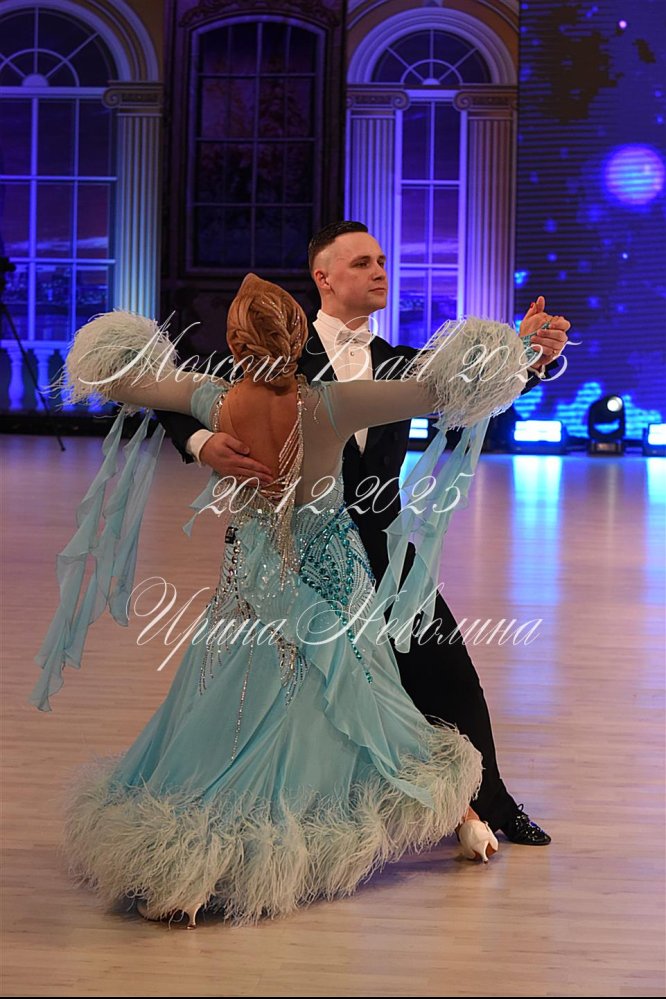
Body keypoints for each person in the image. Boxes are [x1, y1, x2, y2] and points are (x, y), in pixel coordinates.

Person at [32, 274, 549, 927]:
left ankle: (197, 856)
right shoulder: (332, 404)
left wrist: (138, 367)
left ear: (234, 343)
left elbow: (129, 380)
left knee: (241, 697)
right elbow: (442, 389)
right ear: (298, 337)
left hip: (252, 574)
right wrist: (520, 350)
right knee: (342, 700)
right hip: (332, 574)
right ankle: (400, 819)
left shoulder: (213, 396)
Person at [156, 221, 571, 845]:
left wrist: (529, 355)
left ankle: (492, 802)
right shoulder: (272, 353)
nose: (379, 271)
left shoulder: (399, 362)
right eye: (360, 263)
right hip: (295, 555)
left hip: (384, 546)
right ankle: (296, 815)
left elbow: (468, 382)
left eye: (380, 260)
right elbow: (172, 392)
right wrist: (201, 441)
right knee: (290, 692)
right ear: (322, 277)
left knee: (447, 674)